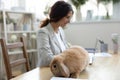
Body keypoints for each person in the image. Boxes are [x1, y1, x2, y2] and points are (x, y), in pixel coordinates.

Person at [37, 1, 74, 67]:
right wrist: (67, 60)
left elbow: (65, 51)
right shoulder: (43, 32)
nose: (69, 21)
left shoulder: (61, 31)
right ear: (59, 15)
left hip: (60, 69)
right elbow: (46, 59)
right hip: (47, 70)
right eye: (67, 17)